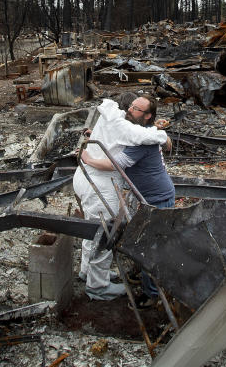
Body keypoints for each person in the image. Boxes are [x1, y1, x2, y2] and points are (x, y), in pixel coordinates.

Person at [72, 92, 171, 300]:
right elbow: (146, 139)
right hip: (100, 183)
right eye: (131, 107)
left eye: (135, 109)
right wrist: (162, 134)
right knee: (105, 234)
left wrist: (88, 152)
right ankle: (97, 286)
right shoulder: (127, 129)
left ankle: (87, 272)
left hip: (83, 178)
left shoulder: (108, 116)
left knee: (92, 231)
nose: (130, 111)